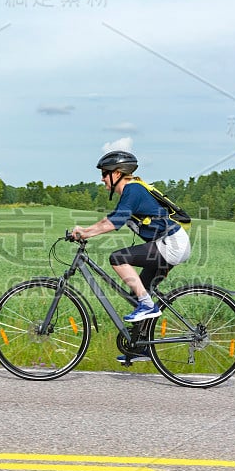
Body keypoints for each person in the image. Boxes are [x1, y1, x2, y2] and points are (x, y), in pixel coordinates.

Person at [71, 150, 191, 362]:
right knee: (139, 293)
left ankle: (147, 305)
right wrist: (89, 231)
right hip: (169, 244)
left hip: (171, 244)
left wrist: (85, 232)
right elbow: (110, 218)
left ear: (117, 173)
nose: (102, 178)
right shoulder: (132, 191)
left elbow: (113, 222)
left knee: (118, 258)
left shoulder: (132, 189)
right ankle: (140, 347)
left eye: (105, 173)